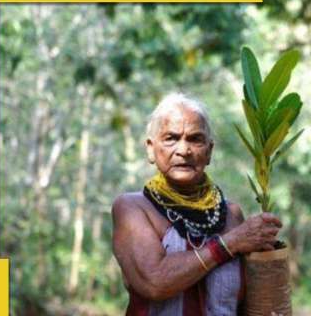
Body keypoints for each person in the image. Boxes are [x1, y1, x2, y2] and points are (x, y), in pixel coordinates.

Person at [112, 92, 283, 316]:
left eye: (195, 139)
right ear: (151, 149)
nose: (184, 150)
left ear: (209, 151)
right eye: (171, 138)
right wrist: (230, 243)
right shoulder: (132, 209)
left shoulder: (231, 214)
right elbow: (154, 282)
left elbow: (247, 305)